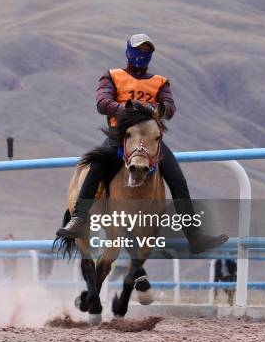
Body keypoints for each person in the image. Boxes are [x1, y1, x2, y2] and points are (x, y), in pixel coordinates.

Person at [57, 34, 228, 254]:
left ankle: (194, 236)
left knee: (177, 180)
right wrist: (130, 113)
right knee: (96, 167)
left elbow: (170, 107)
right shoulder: (112, 76)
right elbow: (102, 103)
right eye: (139, 50)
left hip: (148, 139)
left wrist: (161, 111)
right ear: (129, 51)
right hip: (120, 136)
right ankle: (78, 219)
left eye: (147, 51)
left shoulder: (160, 82)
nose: (142, 55)